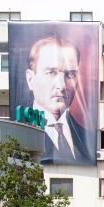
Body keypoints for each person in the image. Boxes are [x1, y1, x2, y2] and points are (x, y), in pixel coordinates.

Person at [24, 36, 94, 164]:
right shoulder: (18, 134)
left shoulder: (89, 138)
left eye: (70, 74)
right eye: (51, 73)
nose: (61, 86)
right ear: (30, 79)